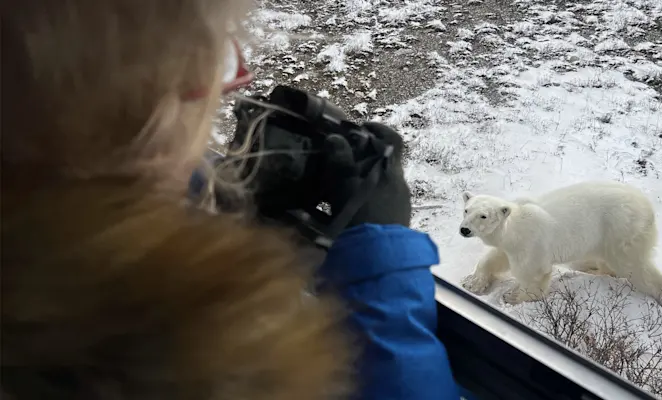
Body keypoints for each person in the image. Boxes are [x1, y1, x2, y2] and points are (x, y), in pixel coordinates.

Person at [1, 1, 462, 399]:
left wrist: (215, 204)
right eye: (218, 59)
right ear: (140, 110)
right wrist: (379, 270)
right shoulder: (179, 360)